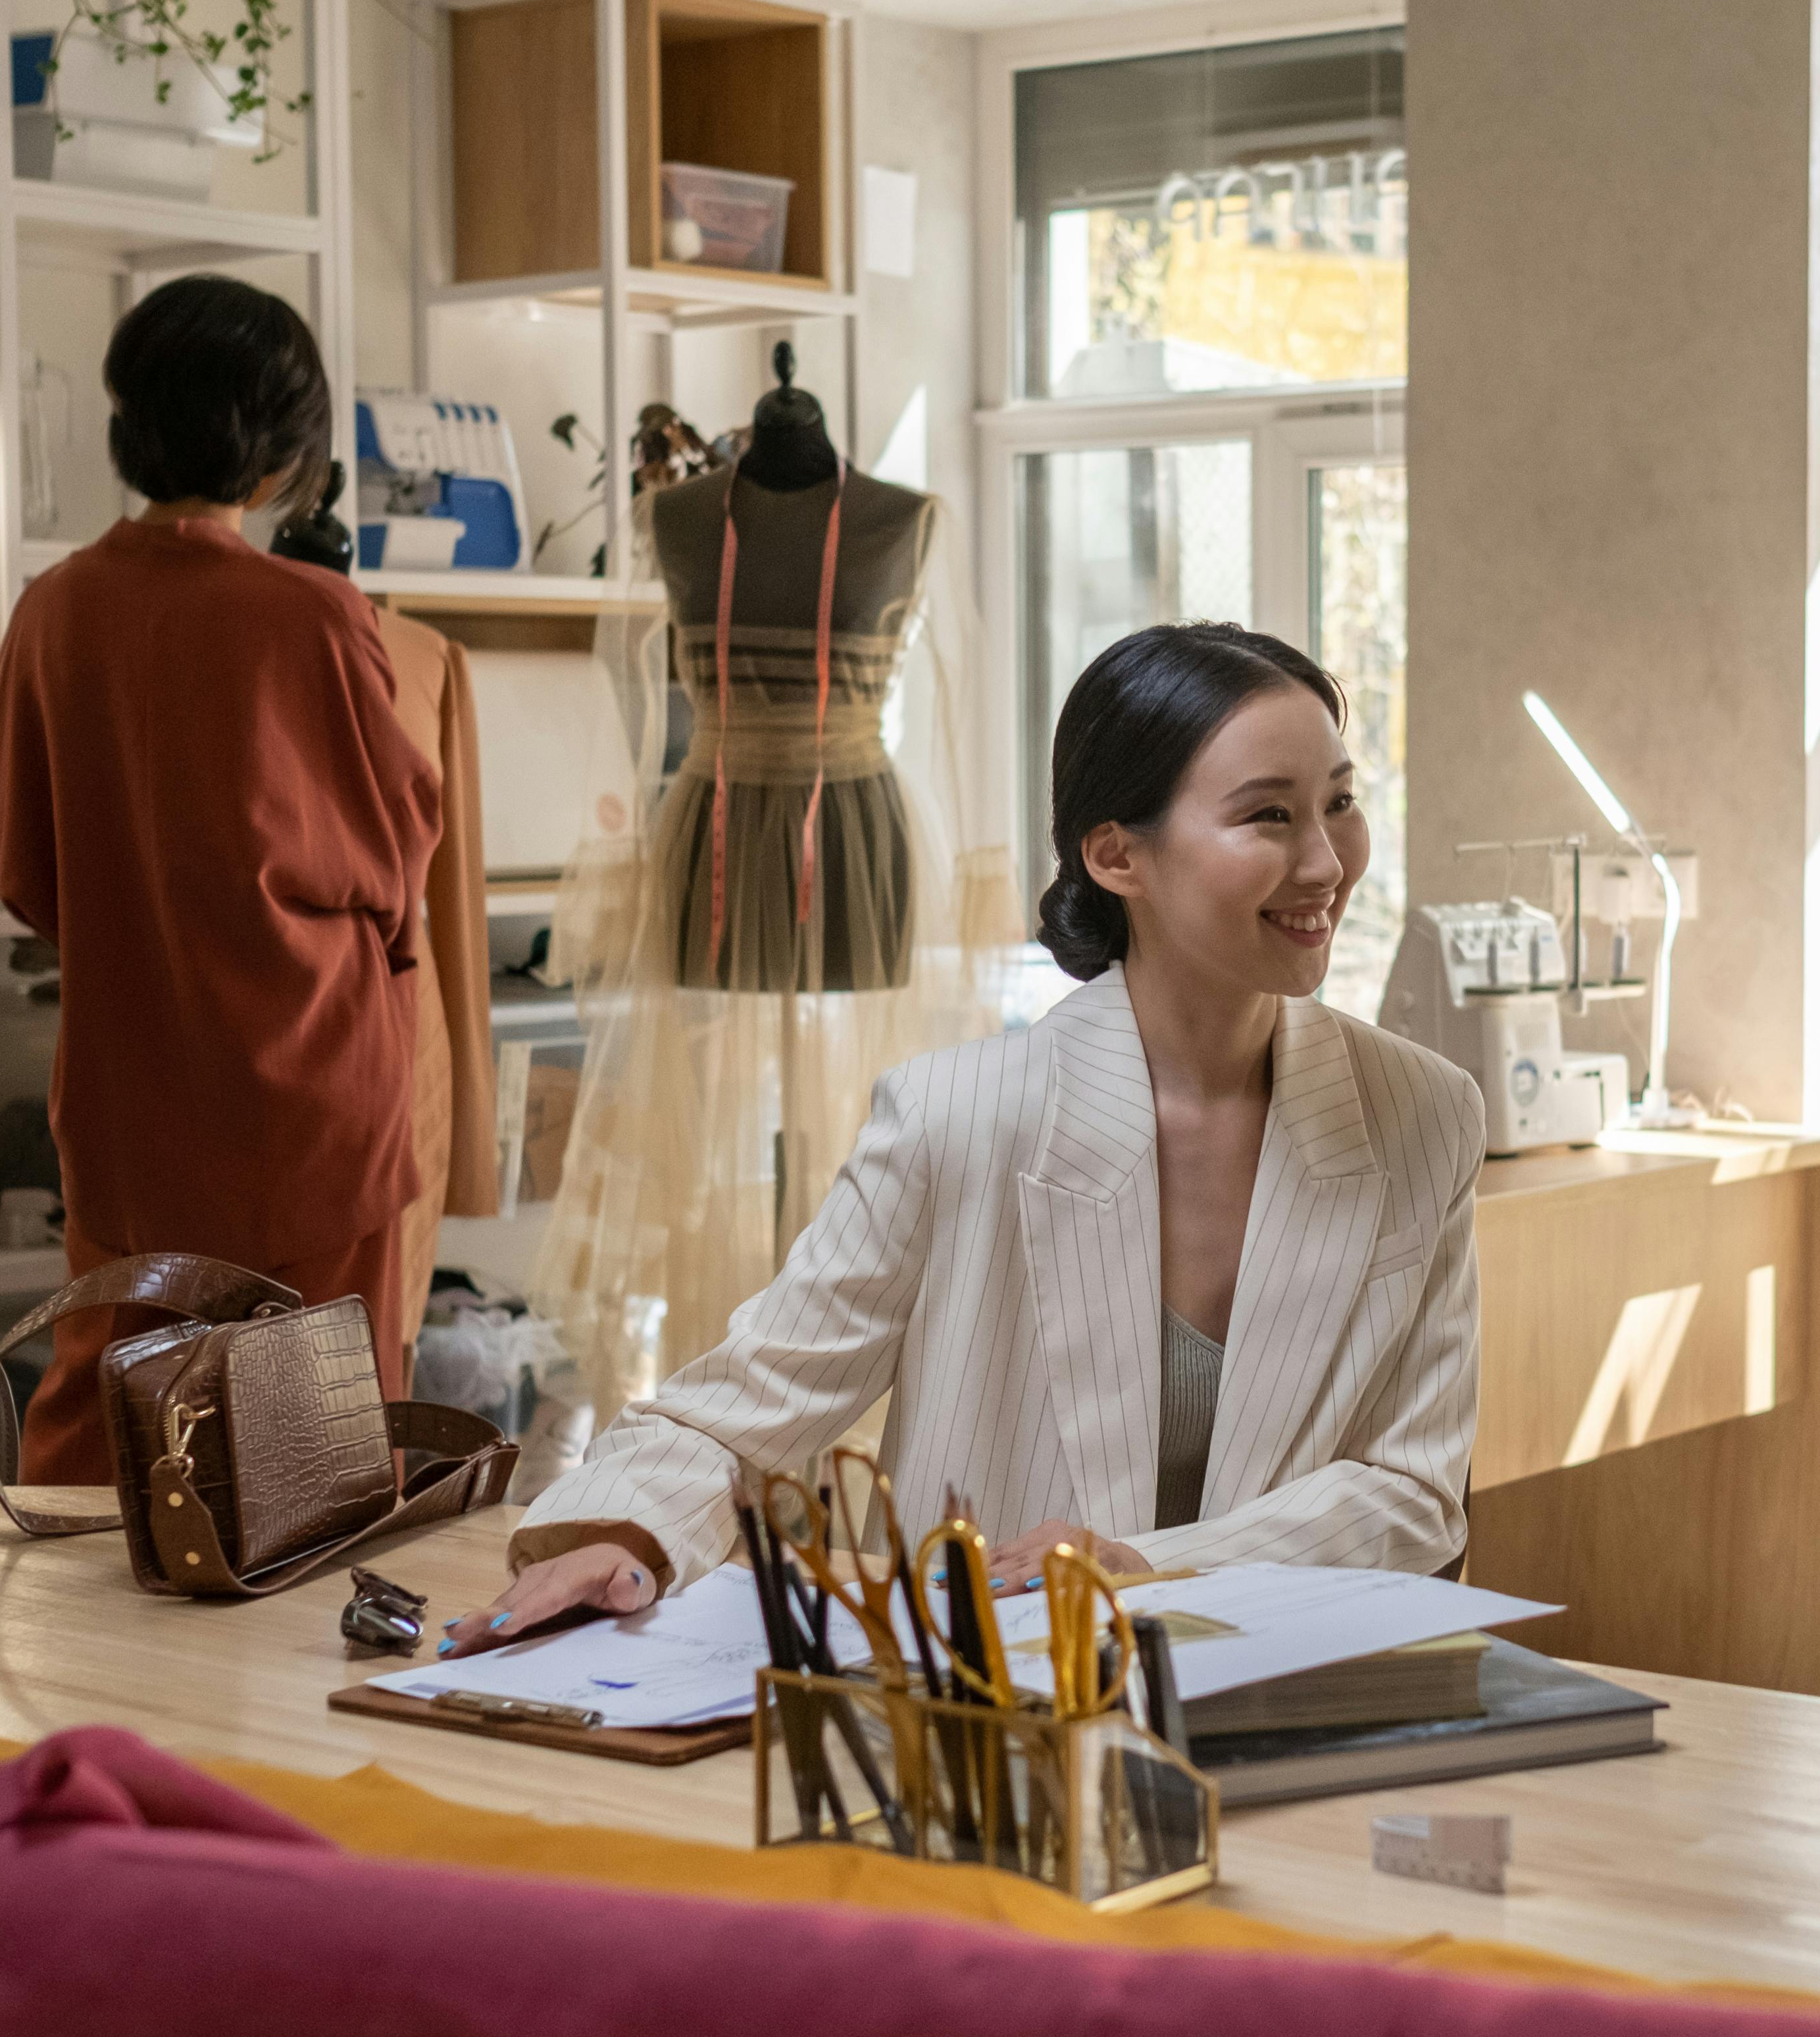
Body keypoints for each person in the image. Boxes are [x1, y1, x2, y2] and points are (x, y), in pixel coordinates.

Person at [446, 623, 1480, 1650]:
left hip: (1287, 1698)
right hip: (991, 1723)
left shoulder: (1424, 1113)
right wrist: (619, 1534)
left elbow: (1415, 1493)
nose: (1326, 861)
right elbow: (746, 1407)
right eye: (1269, 815)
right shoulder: (957, 1118)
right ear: (1119, 855)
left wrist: (1158, 1565)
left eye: (1340, 803)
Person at [0, 275, 440, 1478]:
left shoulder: (52, 611)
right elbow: (393, 859)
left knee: (107, 1423)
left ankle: (56, 1658)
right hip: (313, 1082)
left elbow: (24, 871)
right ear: (287, 446)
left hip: (133, 1089)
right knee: (307, 1451)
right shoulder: (319, 618)